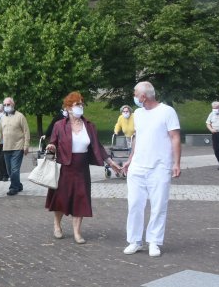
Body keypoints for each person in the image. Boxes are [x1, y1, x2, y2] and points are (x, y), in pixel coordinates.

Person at [45, 92, 121, 244]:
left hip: (81, 168)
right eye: (77, 104)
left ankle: (77, 232)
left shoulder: (89, 126)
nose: (80, 107)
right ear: (68, 108)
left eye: (81, 104)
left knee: (81, 199)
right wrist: (52, 146)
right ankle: (57, 225)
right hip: (65, 166)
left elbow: (97, 146)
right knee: (61, 199)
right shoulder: (60, 125)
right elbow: (52, 141)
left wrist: (110, 162)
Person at [122, 81, 181, 258]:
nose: (133, 96)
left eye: (135, 93)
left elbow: (175, 137)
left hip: (159, 167)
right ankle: (135, 240)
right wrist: (131, 159)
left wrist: (176, 163)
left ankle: (154, 241)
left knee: (158, 205)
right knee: (134, 204)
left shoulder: (167, 111)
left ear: (143, 96)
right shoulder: (138, 114)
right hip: (138, 167)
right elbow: (138, 137)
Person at [0, 96, 31, 196]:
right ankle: (18, 185)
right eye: (5, 105)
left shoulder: (20, 116)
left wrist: (26, 145)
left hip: (18, 147)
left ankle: (13, 188)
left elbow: (26, 131)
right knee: (10, 170)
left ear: (13, 105)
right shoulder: (3, 118)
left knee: (15, 169)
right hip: (6, 147)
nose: (6, 106)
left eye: (8, 104)